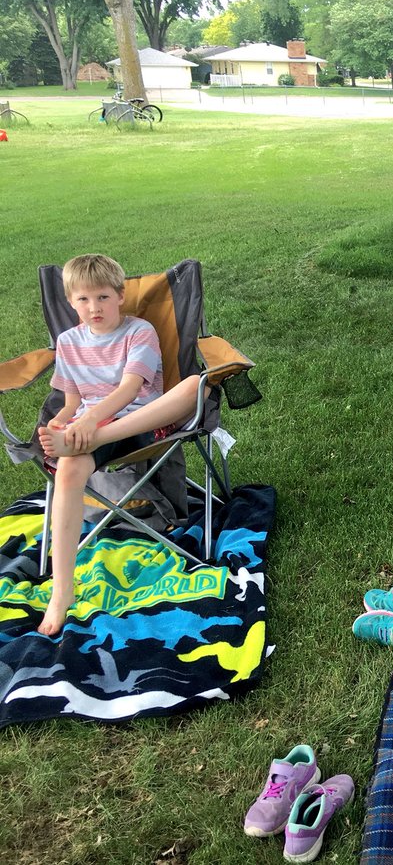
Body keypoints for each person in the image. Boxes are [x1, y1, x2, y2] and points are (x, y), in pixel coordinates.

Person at [34, 254, 208, 637]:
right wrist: (66, 421)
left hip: (144, 421)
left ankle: (86, 440)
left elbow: (130, 388)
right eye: (83, 300)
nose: (93, 308)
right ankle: (62, 590)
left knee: (196, 385)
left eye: (101, 297)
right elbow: (72, 401)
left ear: (120, 296)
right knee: (67, 469)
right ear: (70, 302)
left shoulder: (139, 331)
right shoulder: (68, 342)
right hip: (92, 424)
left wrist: (89, 427)